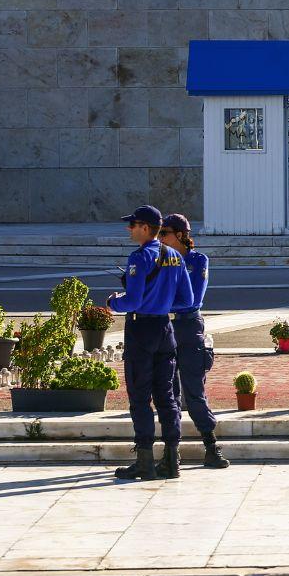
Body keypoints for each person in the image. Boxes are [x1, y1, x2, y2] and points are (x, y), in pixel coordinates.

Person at [108, 205, 194, 481]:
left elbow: (131, 301)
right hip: (164, 327)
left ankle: (145, 460)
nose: (129, 229)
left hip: (141, 329)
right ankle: (172, 459)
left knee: (140, 396)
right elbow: (187, 301)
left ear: (145, 228)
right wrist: (162, 303)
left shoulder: (139, 257)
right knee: (167, 397)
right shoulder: (175, 257)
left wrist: (113, 303)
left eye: (132, 224)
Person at [160, 213, 230, 470]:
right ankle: (171, 453)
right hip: (166, 326)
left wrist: (159, 302)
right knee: (168, 393)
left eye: (164, 233)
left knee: (194, 390)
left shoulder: (197, 260)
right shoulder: (161, 261)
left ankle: (211, 447)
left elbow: (193, 299)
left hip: (188, 326)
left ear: (180, 234)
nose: (160, 238)